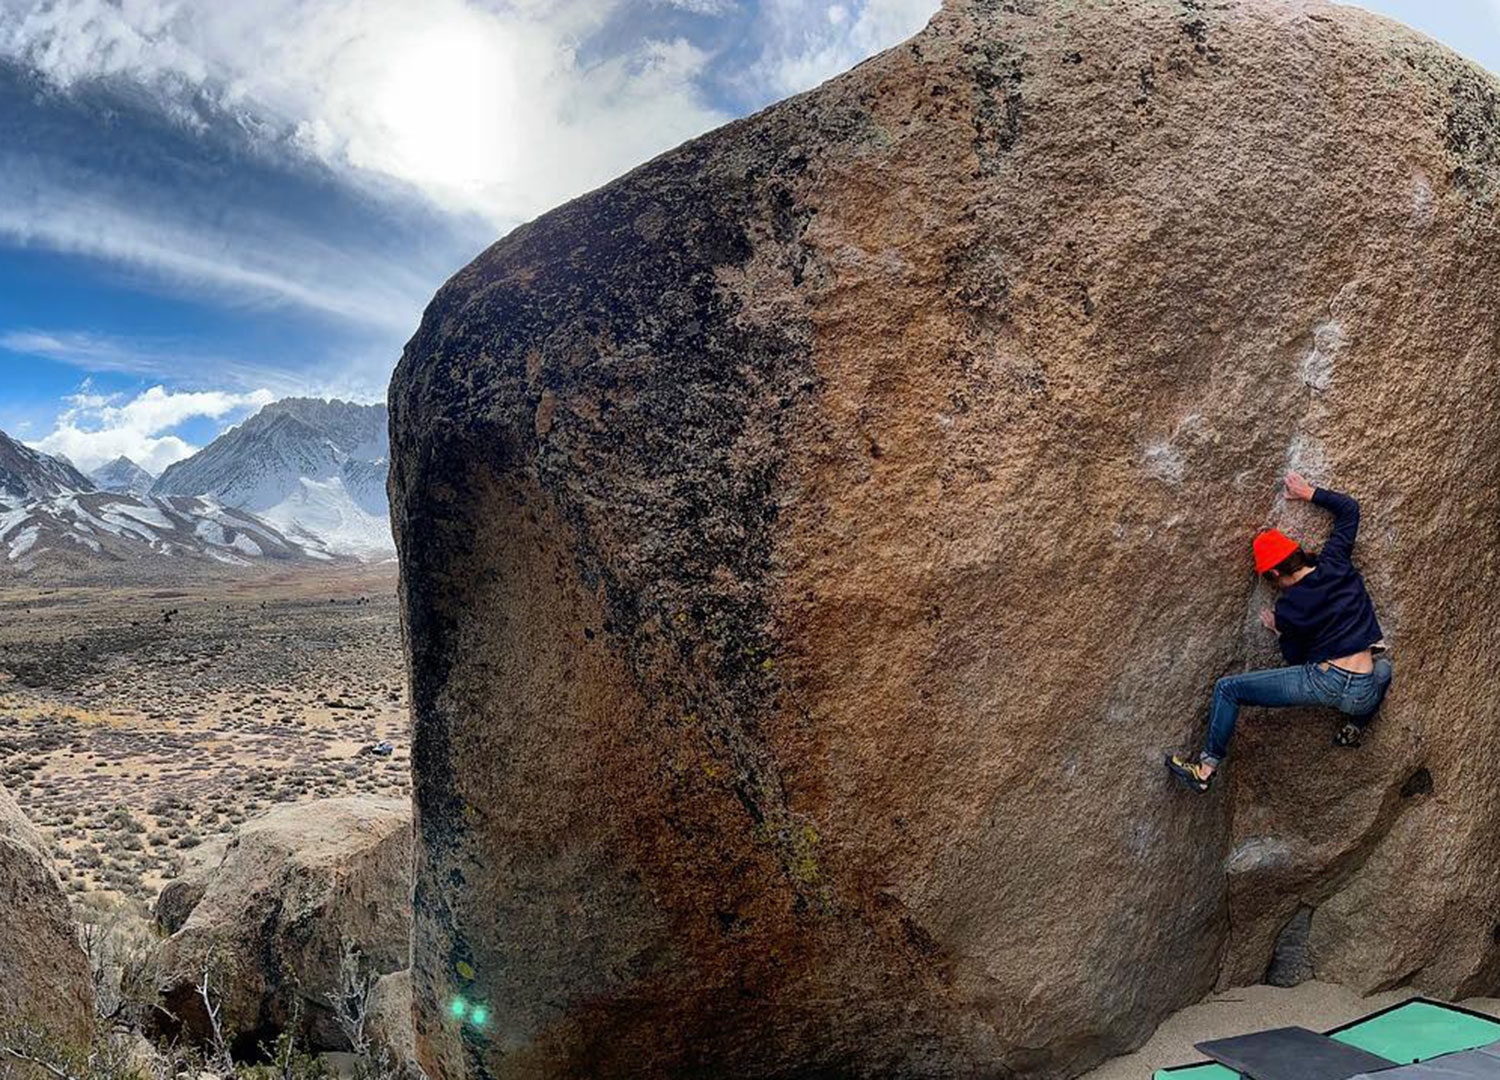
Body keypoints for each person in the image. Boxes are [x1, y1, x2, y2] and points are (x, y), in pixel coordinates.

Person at [1166, 470, 1392, 794]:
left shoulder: (1289, 609)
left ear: (1274, 572)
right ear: (1297, 552)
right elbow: (1350, 509)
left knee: (1228, 689)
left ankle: (1205, 768)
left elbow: (1295, 657)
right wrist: (1307, 492)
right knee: (1385, 667)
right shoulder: (1336, 563)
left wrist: (1279, 629)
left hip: (1324, 682)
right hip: (1363, 692)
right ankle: (1356, 725)